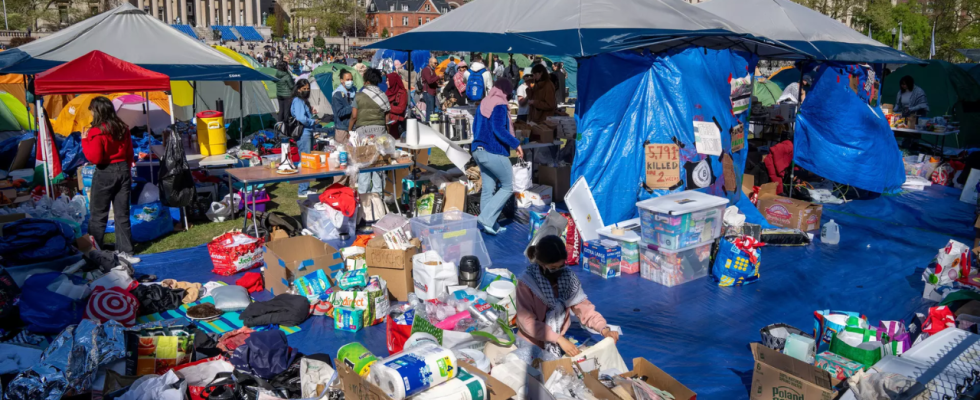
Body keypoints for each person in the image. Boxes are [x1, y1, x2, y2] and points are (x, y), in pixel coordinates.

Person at [517, 235, 617, 357]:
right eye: (553, 268)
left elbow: (584, 309)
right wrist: (558, 339)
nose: (558, 271)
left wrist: (604, 328)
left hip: (558, 341)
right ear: (541, 264)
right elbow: (527, 322)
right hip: (532, 343)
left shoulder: (567, 277)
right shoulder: (527, 283)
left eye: (561, 266)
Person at [82, 97, 140, 264]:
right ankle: (126, 252)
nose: (91, 113)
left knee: (98, 215)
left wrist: (85, 140)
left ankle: (93, 252)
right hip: (123, 169)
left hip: (105, 171)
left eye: (92, 110)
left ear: (97, 111)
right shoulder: (122, 128)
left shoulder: (96, 131)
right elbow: (130, 152)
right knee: (122, 214)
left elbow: (95, 158)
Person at [472, 78, 524, 235]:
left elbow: (475, 127)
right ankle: (487, 218)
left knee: (489, 187)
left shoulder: (484, 102)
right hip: (492, 150)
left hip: (477, 150)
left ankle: (489, 224)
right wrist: (516, 144)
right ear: (506, 91)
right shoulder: (500, 104)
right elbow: (499, 129)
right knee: (509, 185)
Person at [348, 68, 390, 196]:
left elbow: (354, 116)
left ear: (366, 80)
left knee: (364, 164)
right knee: (379, 165)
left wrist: (349, 129)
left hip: (363, 133)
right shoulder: (383, 95)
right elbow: (386, 118)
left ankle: (363, 196)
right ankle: (378, 198)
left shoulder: (359, 96)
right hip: (380, 132)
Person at [290, 79, 317, 197]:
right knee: (305, 161)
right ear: (298, 89)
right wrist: (312, 121)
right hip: (304, 132)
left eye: (308, 89)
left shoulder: (302, 101)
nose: (306, 91)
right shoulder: (298, 100)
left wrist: (310, 113)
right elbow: (301, 118)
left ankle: (305, 187)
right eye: (304, 89)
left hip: (307, 132)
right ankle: (302, 190)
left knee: (306, 160)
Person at [332, 71, 357, 144]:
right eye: (348, 80)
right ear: (341, 80)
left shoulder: (354, 91)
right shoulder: (337, 94)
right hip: (342, 129)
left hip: (354, 128)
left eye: (351, 79)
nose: (350, 81)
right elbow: (340, 113)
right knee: (342, 151)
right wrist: (353, 107)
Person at [386, 72, 408, 139]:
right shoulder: (387, 92)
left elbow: (401, 109)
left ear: (393, 81)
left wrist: (387, 107)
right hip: (388, 123)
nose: (386, 82)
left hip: (396, 123)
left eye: (388, 80)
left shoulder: (402, 93)